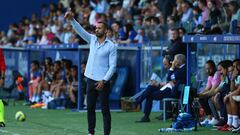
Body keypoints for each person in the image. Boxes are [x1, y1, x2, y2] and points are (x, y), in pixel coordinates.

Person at [64, 10, 117, 135]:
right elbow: (80, 31)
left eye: (99, 28)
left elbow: (113, 67)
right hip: (90, 80)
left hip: (103, 82)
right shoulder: (92, 39)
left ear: (106, 31)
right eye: (96, 28)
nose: (96, 30)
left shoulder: (112, 46)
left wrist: (104, 81)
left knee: (105, 110)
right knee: (90, 109)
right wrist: (72, 20)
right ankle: (91, 132)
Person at [135, 54, 186, 122]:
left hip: (172, 91)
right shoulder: (175, 69)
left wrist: (159, 83)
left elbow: (169, 80)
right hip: (168, 89)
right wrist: (159, 83)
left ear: (178, 61)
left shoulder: (178, 69)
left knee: (149, 94)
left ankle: (141, 108)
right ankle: (138, 102)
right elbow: (169, 81)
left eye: (165, 64)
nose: (173, 62)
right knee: (151, 87)